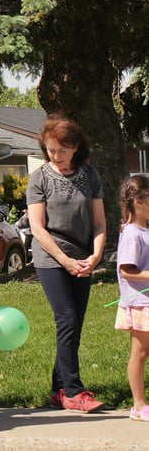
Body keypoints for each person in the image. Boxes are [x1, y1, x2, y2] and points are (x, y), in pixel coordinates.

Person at [26, 115, 108, 413]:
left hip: (83, 257)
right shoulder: (40, 178)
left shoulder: (89, 175)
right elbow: (37, 228)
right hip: (51, 258)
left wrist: (95, 256)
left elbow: (99, 223)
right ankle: (73, 392)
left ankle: (58, 388)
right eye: (50, 150)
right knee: (67, 320)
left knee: (74, 326)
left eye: (62, 150)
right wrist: (65, 261)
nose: (55, 156)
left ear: (76, 148)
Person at [115, 173, 149, 421]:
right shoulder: (131, 234)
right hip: (140, 302)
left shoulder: (144, 230)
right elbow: (127, 270)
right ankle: (138, 405)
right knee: (140, 351)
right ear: (138, 201)